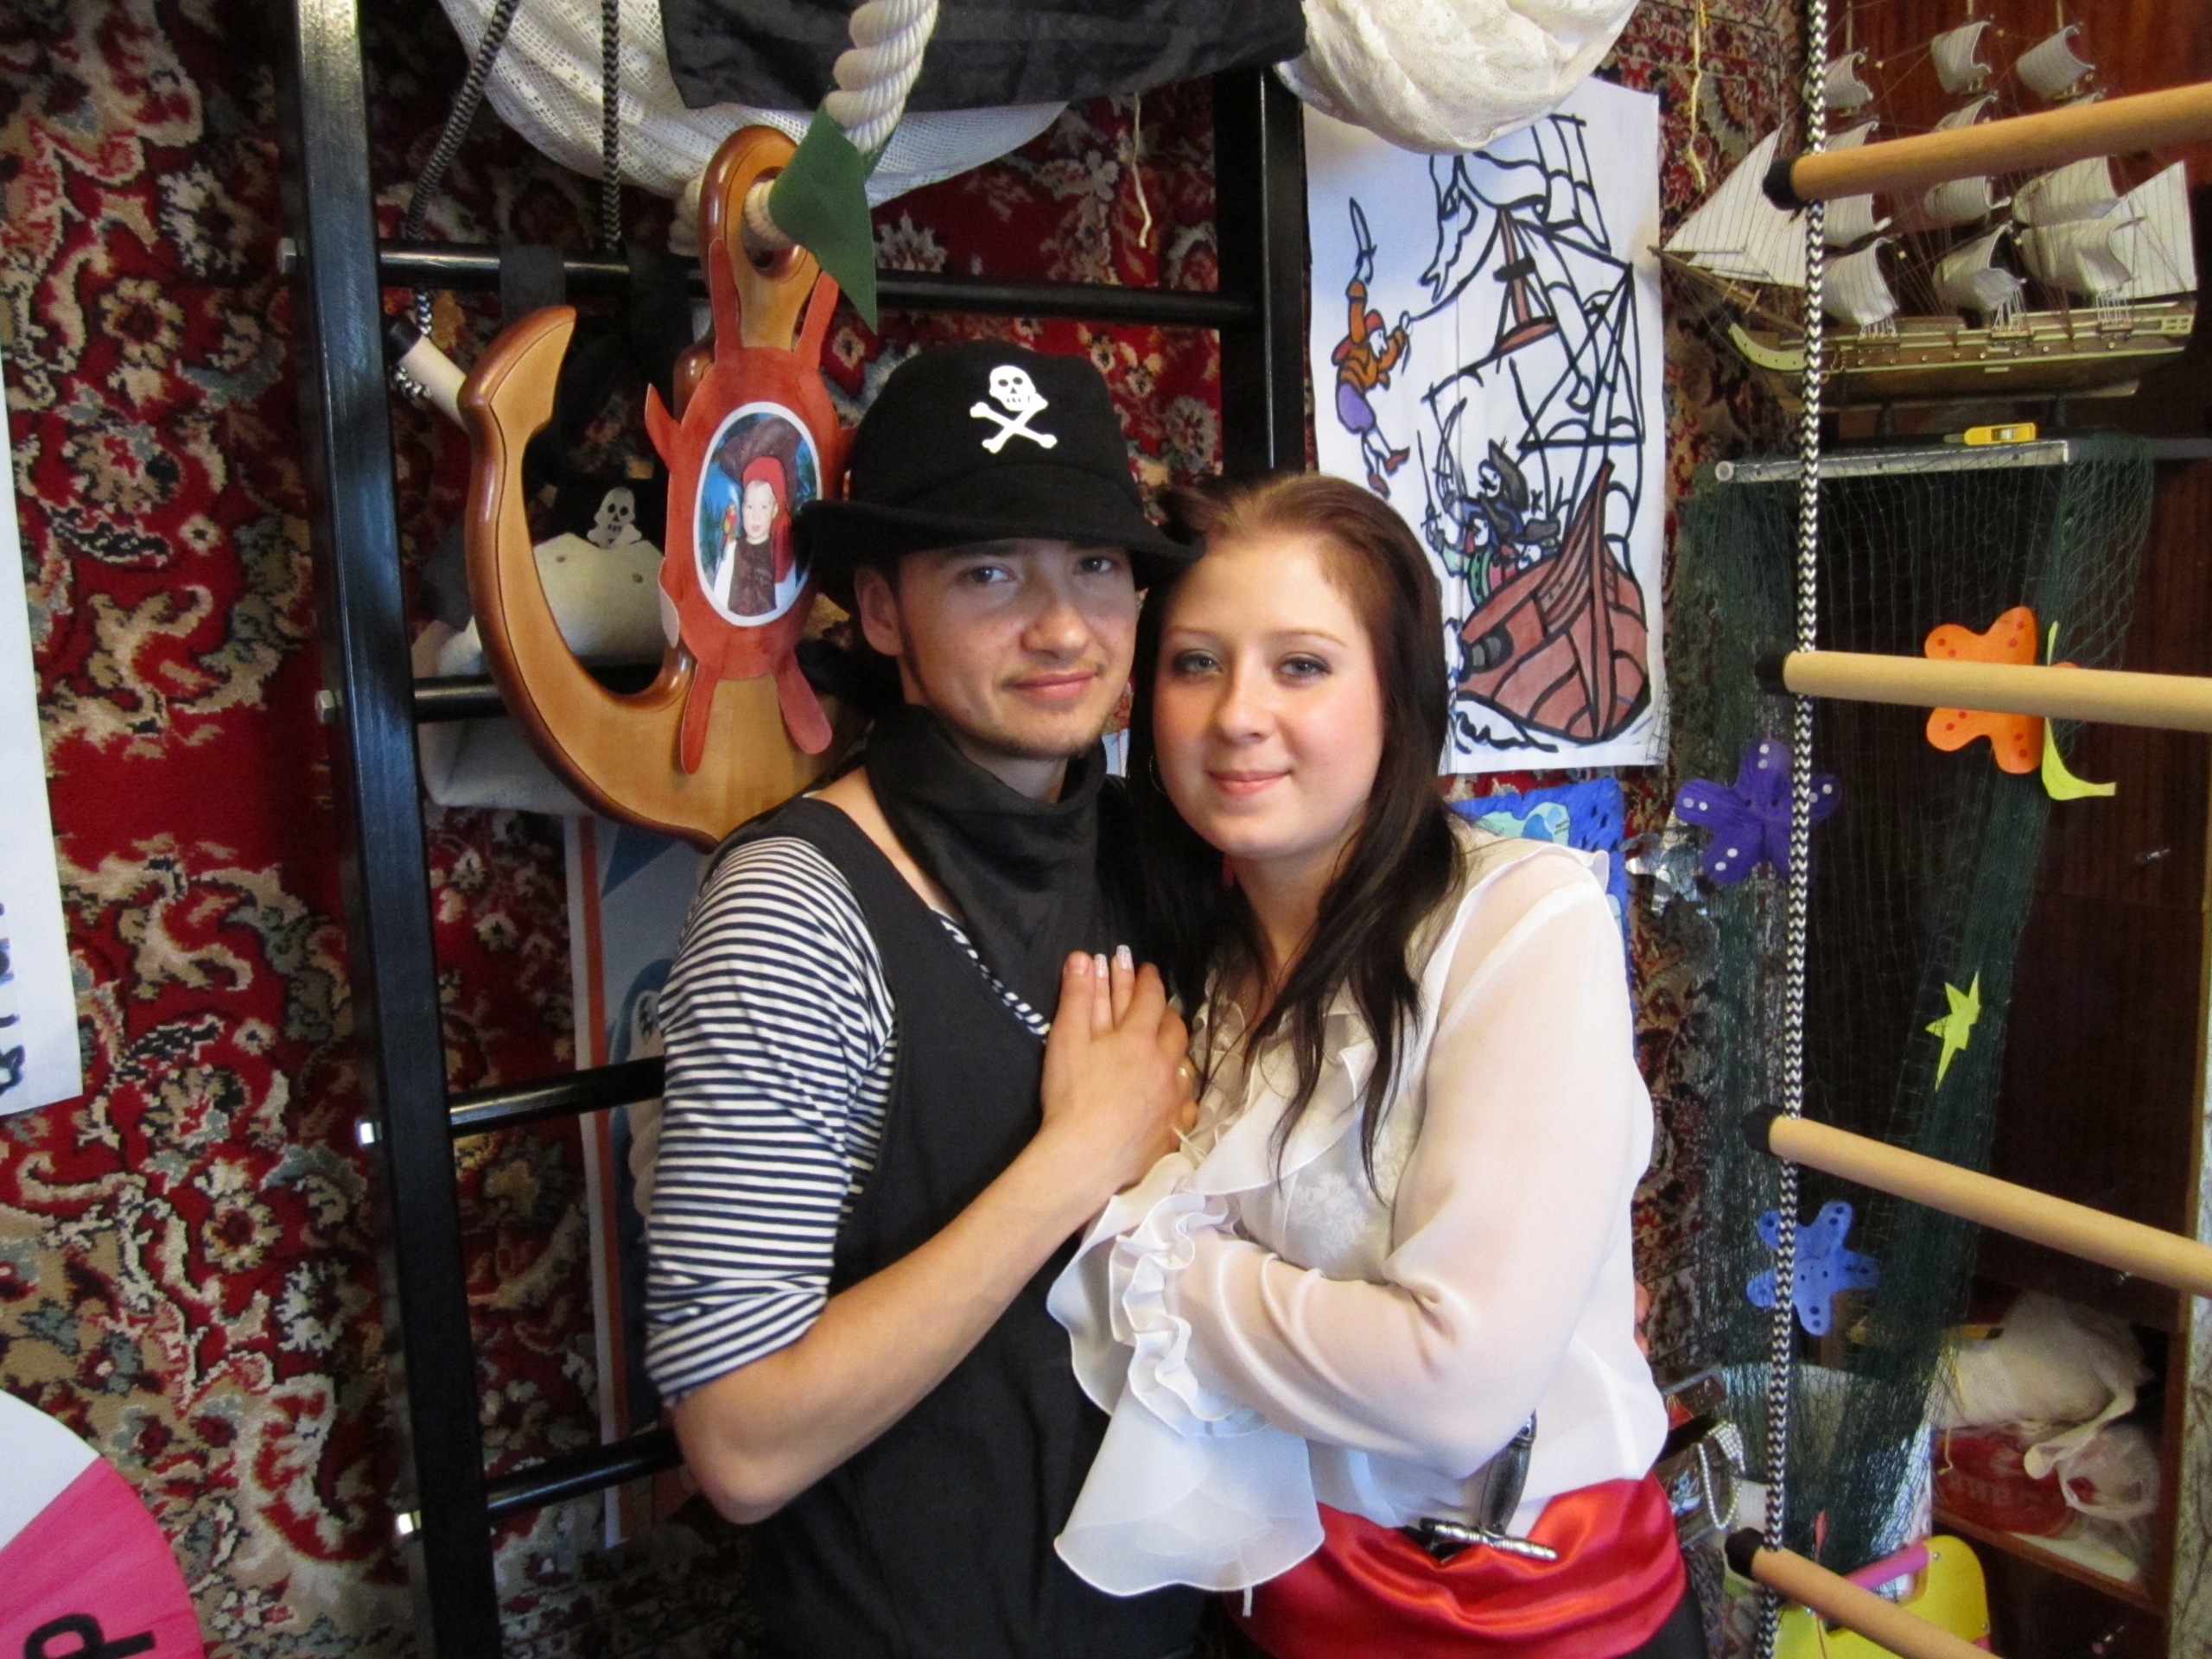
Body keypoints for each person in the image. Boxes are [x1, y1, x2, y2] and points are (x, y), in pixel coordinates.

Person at [1047, 473, 1700, 1659]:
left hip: (1525, 1616)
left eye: (1302, 665)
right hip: (1267, 1607)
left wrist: (1153, 1266)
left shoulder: (1519, 926)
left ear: (1399, 696)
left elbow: (1454, 1391)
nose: (1238, 715)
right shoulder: (1187, 957)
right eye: (1196, 664)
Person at [643, 342, 1208, 1659]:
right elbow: (738, 1441)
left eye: (1095, 565)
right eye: (989, 573)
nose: (1062, 628)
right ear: (883, 611)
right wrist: (1076, 1160)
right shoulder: (795, 912)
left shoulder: (1163, 849)